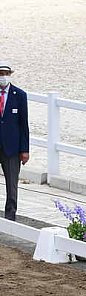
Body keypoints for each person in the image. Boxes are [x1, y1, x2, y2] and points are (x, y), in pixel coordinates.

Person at [0, 60, 29, 221]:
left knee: (12, 184)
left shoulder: (20, 95)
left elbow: (23, 124)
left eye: (6, 74)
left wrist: (25, 149)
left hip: (11, 147)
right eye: (0, 74)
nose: (3, 77)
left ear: (10, 75)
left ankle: (10, 216)